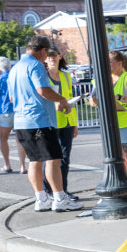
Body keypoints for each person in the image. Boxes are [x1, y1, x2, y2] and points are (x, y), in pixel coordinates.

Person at [7, 35, 80, 211]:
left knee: (35, 161)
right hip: (39, 119)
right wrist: (61, 99)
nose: (46, 57)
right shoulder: (35, 65)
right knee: (53, 159)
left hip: (21, 121)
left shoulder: (15, 68)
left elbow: (11, 97)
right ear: (42, 51)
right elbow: (43, 90)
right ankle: (60, 199)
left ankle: (41, 199)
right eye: (46, 52)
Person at [95, 49, 127, 200]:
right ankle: (123, 186)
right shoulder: (105, 78)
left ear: (119, 63)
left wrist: (116, 97)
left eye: (109, 62)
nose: (107, 65)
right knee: (117, 158)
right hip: (111, 123)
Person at [44, 48, 79, 193]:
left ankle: (63, 190)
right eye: (49, 55)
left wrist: (75, 123)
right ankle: (49, 191)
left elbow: (70, 97)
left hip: (67, 121)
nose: (52, 58)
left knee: (65, 158)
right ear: (45, 59)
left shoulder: (66, 76)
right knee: (51, 158)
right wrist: (55, 104)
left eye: (54, 55)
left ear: (60, 56)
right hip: (50, 121)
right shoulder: (42, 76)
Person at [0, 56, 22, 174]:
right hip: (19, 110)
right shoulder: (17, 77)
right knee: (20, 139)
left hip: (4, 110)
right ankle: (23, 165)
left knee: (3, 139)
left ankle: (7, 164)